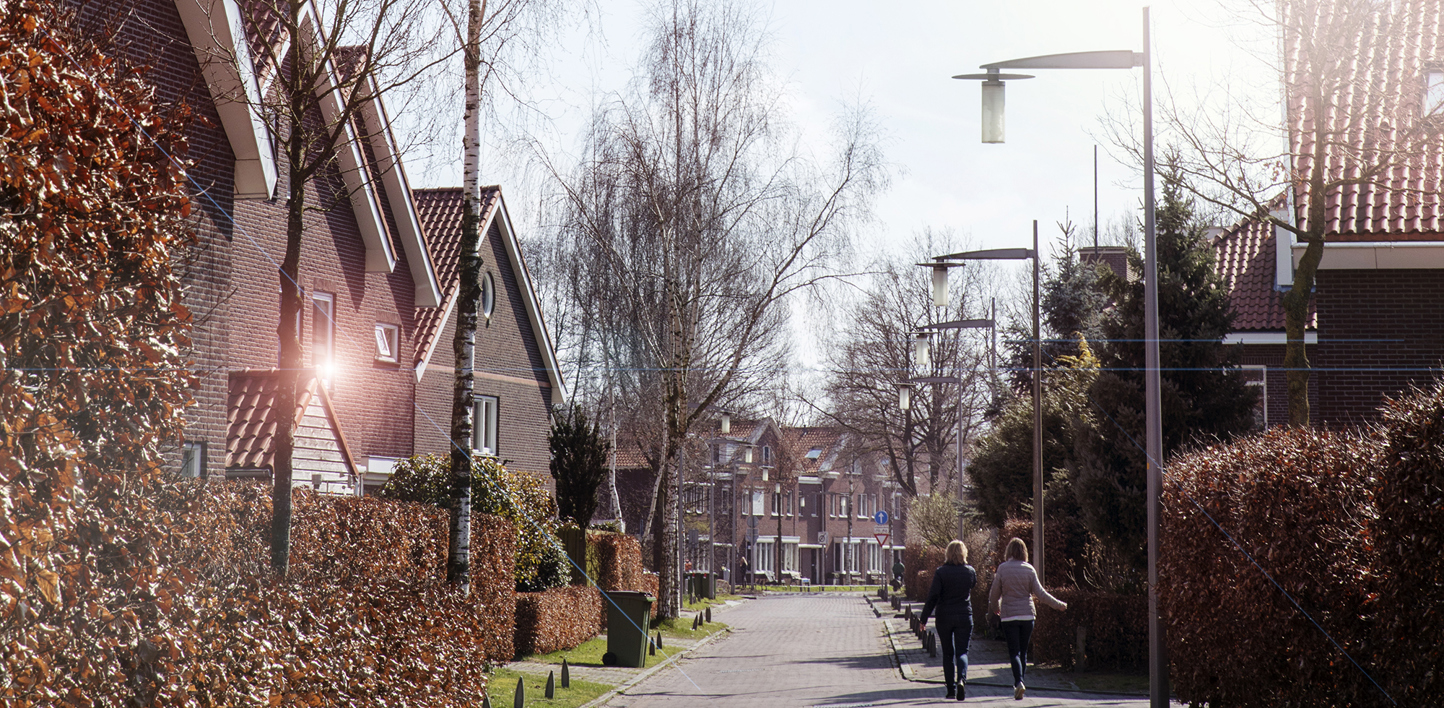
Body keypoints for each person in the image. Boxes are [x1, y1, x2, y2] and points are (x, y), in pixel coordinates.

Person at [988, 537, 1067, 701]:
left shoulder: (1002, 569)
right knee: (1023, 652)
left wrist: (995, 608)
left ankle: (1019, 682)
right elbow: (1041, 594)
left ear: (1008, 551)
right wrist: (1058, 604)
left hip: (1009, 615)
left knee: (1014, 652)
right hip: (1027, 616)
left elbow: (994, 594)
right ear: (1024, 552)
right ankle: (1021, 682)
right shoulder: (1029, 569)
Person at [919, 540, 976, 701]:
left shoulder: (941, 572)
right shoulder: (970, 571)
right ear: (964, 553)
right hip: (965, 615)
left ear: (947, 554)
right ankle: (961, 680)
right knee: (962, 651)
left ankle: (950, 690)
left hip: (944, 616)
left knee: (947, 653)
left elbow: (933, 596)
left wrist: (923, 618)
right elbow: (973, 585)